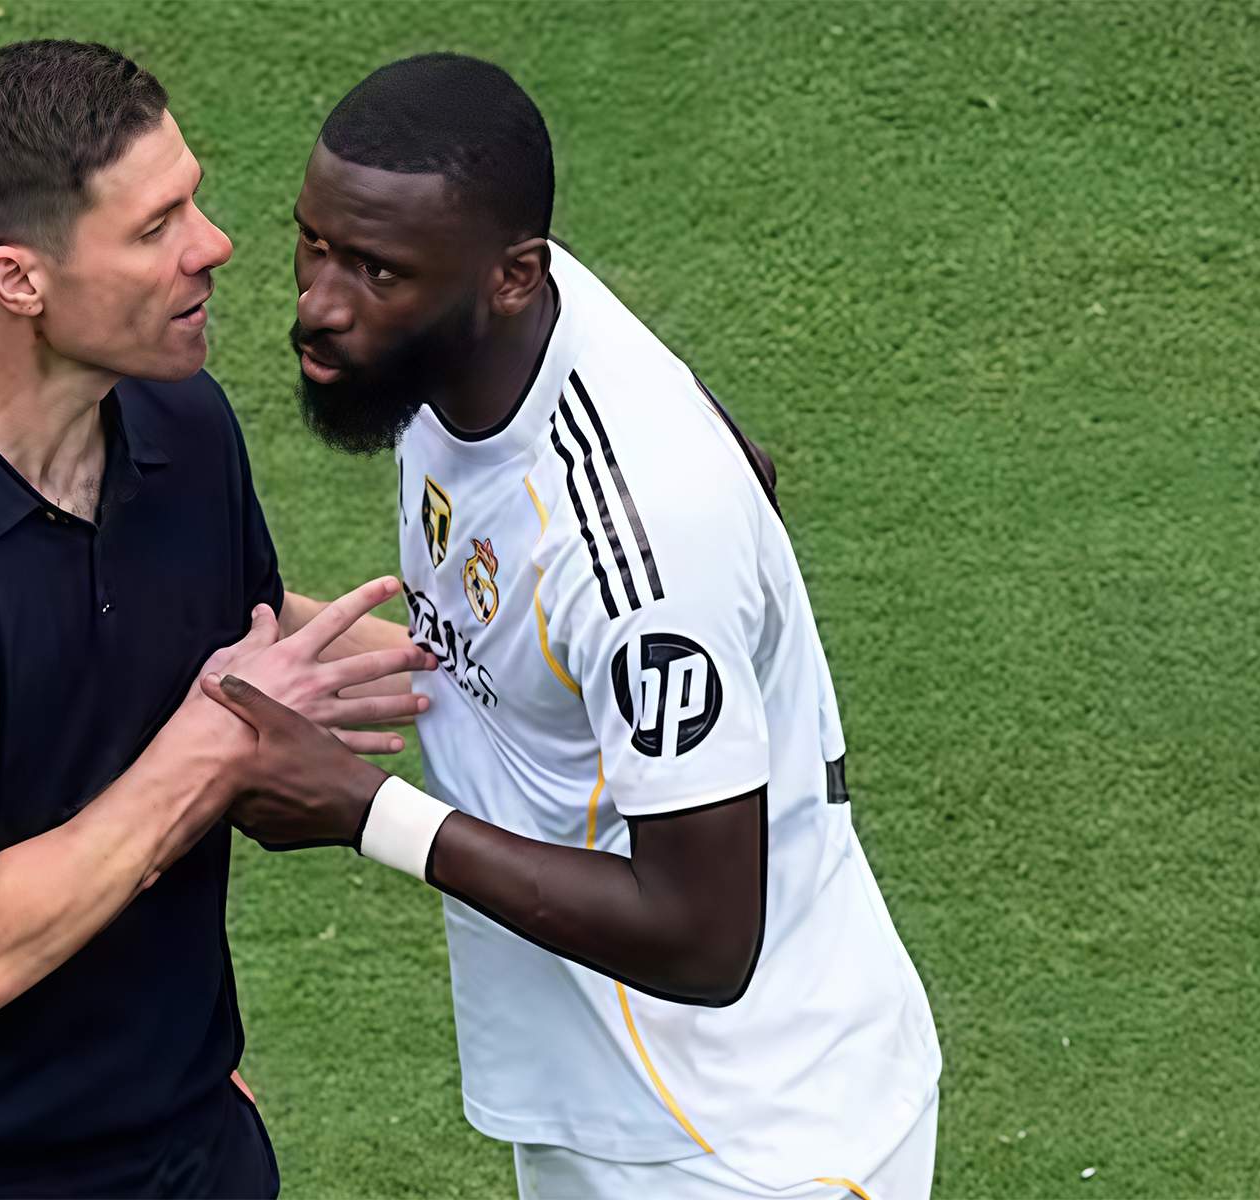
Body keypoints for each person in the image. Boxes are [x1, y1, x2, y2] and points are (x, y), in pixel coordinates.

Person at [205, 54, 942, 1200]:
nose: (320, 303)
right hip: (610, 1108)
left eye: (376, 271)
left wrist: (365, 814)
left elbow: (703, 935)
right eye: (312, 244)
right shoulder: (495, 337)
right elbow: (491, 649)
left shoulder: (638, 530)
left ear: (512, 277)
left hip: (748, 1144)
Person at [0, 40, 430, 1198]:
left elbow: (251, 638)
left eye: (191, 201)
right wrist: (217, 739)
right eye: (154, 229)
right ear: (19, 280)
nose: (213, 245)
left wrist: (550, 654)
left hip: (176, 1152)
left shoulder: (179, 425)